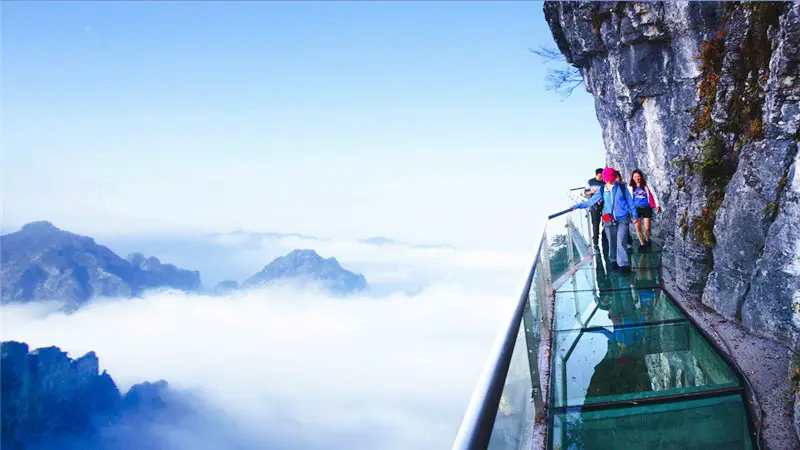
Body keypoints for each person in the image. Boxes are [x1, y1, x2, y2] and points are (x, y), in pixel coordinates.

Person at [572, 167, 640, 272]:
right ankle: (613, 260)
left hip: (623, 218)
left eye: (610, 178)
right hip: (608, 219)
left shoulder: (622, 188)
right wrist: (576, 206)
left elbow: (630, 202)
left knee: (621, 240)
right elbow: (590, 202)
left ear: (614, 177)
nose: (608, 181)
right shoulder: (602, 189)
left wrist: (635, 215)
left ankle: (624, 264)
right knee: (612, 241)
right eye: (607, 179)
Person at [628, 169, 661, 247]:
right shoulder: (630, 187)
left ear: (641, 176)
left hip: (646, 207)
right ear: (632, 177)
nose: (637, 178)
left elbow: (653, 194)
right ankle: (642, 243)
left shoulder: (646, 184)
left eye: (638, 176)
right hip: (636, 209)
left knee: (647, 228)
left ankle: (647, 239)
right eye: (635, 176)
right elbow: (628, 198)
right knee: (637, 227)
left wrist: (657, 204)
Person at [584, 168, 606, 247]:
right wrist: (591, 192)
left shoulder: (605, 182)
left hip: (604, 207)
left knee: (606, 222)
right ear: (596, 175)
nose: (601, 178)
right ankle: (595, 242)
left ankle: (605, 240)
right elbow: (585, 192)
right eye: (600, 177)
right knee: (596, 224)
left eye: (602, 177)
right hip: (594, 207)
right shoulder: (590, 182)